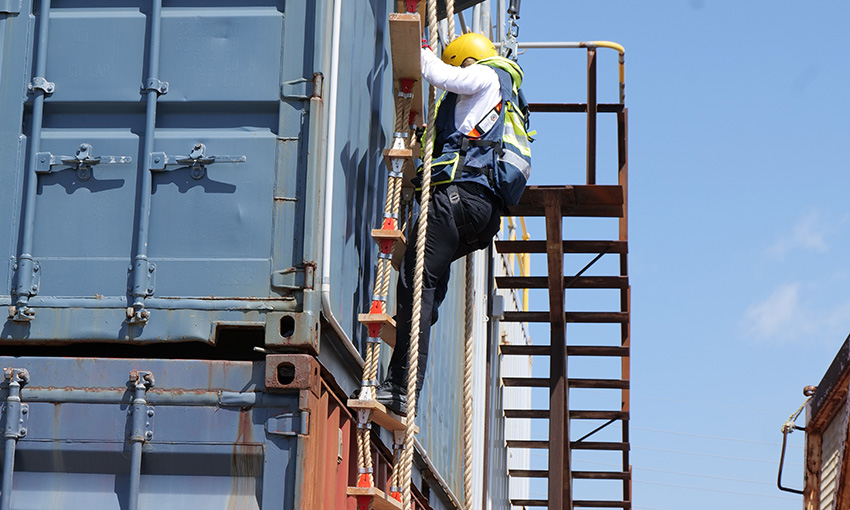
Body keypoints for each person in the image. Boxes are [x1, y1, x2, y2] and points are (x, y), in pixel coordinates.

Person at [375, 33, 526, 415]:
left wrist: (422, 52)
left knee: (416, 286)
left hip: (456, 199)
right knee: (430, 289)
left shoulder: (487, 77)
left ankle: (398, 390)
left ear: (467, 60)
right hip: (481, 214)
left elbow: (442, 76)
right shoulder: (498, 104)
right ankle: (405, 379)